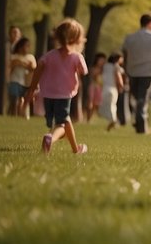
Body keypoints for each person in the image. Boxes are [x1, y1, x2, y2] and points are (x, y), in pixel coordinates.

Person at [26, 18, 89, 155]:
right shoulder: (76, 56)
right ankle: (50, 138)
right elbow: (84, 71)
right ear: (78, 38)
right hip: (64, 95)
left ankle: (75, 149)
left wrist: (32, 89)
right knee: (62, 124)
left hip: (47, 94)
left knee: (63, 122)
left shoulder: (49, 55)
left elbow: (38, 68)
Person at [121, 13, 151, 134]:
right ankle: (141, 127)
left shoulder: (130, 37)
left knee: (137, 97)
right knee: (142, 98)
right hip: (147, 71)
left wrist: (126, 67)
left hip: (132, 71)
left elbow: (125, 53)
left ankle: (140, 122)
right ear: (150, 23)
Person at [7, 36, 36, 120]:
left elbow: (33, 68)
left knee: (23, 99)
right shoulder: (14, 56)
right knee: (14, 98)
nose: (27, 48)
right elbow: (12, 65)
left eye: (28, 46)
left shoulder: (31, 57)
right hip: (14, 80)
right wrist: (23, 64)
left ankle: (22, 115)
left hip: (26, 82)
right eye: (25, 45)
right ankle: (13, 114)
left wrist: (22, 64)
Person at [98, 53, 124, 131]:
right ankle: (113, 121)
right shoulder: (116, 67)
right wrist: (121, 86)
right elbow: (118, 78)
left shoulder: (105, 66)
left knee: (106, 106)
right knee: (112, 105)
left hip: (105, 88)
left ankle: (112, 121)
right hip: (112, 88)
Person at [86, 53, 106, 123]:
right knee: (90, 103)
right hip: (93, 87)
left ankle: (92, 118)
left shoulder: (104, 69)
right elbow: (94, 77)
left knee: (96, 104)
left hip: (99, 88)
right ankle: (88, 119)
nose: (102, 62)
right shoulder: (93, 68)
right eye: (100, 60)